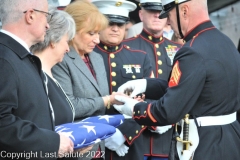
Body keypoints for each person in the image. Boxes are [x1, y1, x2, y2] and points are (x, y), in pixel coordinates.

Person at [113, 0, 240, 160]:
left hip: (205, 144)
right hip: (230, 139)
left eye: (170, 15)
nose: (168, 21)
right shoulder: (224, 41)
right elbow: (191, 87)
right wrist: (145, 84)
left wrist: (134, 108)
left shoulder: (192, 50)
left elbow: (168, 111)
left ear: (184, 11)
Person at [0, 0, 74, 159]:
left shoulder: (19, 57)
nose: (48, 25)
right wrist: (52, 143)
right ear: (30, 16)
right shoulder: (4, 59)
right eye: (46, 16)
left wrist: (63, 146)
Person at [51, 1, 115, 159]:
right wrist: (107, 100)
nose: (97, 40)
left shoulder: (97, 58)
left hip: (98, 148)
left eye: (98, 33)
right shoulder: (61, 59)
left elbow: (99, 98)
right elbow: (68, 105)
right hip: (74, 149)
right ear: (72, 30)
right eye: (91, 33)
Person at [92, 0, 153, 159]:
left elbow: (150, 101)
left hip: (130, 146)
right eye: (110, 23)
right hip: (93, 142)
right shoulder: (86, 56)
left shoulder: (140, 57)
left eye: (120, 24)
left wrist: (125, 134)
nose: (115, 28)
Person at [122, 0, 182, 160]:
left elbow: (184, 90)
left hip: (166, 137)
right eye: (151, 11)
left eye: (161, 12)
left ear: (167, 17)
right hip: (133, 139)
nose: (157, 15)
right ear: (141, 14)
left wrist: (169, 120)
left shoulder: (180, 51)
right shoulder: (126, 47)